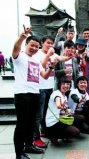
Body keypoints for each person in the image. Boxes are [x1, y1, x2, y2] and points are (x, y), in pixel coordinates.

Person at [12, 26, 56, 159]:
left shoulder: (36, 59)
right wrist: (22, 36)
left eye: (37, 46)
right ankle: (19, 153)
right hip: (22, 94)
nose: (34, 48)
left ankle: (29, 145)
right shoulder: (19, 57)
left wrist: (51, 67)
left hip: (35, 94)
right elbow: (15, 47)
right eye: (32, 45)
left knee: (31, 123)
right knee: (22, 125)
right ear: (26, 44)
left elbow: (44, 75)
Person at [33, 35, 72, 148]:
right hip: (39, 88)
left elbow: (61, 58)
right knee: (38, 115)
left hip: (50, 87)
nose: (50, 45)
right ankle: (36, 137)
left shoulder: (53, 54)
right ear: (42, 43)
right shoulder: (37, 54)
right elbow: (42, 66)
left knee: (47, 111)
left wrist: (69, 57)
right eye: (48, 43)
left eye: (51, 43)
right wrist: (49, 55)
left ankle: (45, 130)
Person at [45, 79, 87, 144]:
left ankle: (65, 135)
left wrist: (68, 110)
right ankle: (53, 136)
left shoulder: (64, 96)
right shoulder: (56, 93)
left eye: (68, 84)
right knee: (75, 132)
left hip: (61, 119)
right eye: (63, 84)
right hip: (53, 123)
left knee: (81, 118)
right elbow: (58, 101)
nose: (66, 86)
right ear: (59, 85)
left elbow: (65, 110)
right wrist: (59, 105)